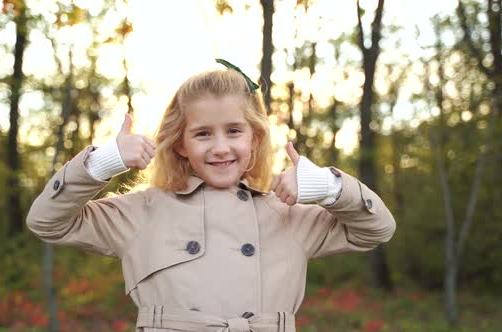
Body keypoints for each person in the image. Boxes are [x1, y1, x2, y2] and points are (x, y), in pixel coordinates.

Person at [26, 59, 396, 332]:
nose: (220, 147)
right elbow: (48, 222)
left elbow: (376, 230)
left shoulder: (285, 214)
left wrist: (329, 188)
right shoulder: (142, 212)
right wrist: (103, 163)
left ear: (255, 139)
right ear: (182, 144)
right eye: (203, 134)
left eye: (234, 131)